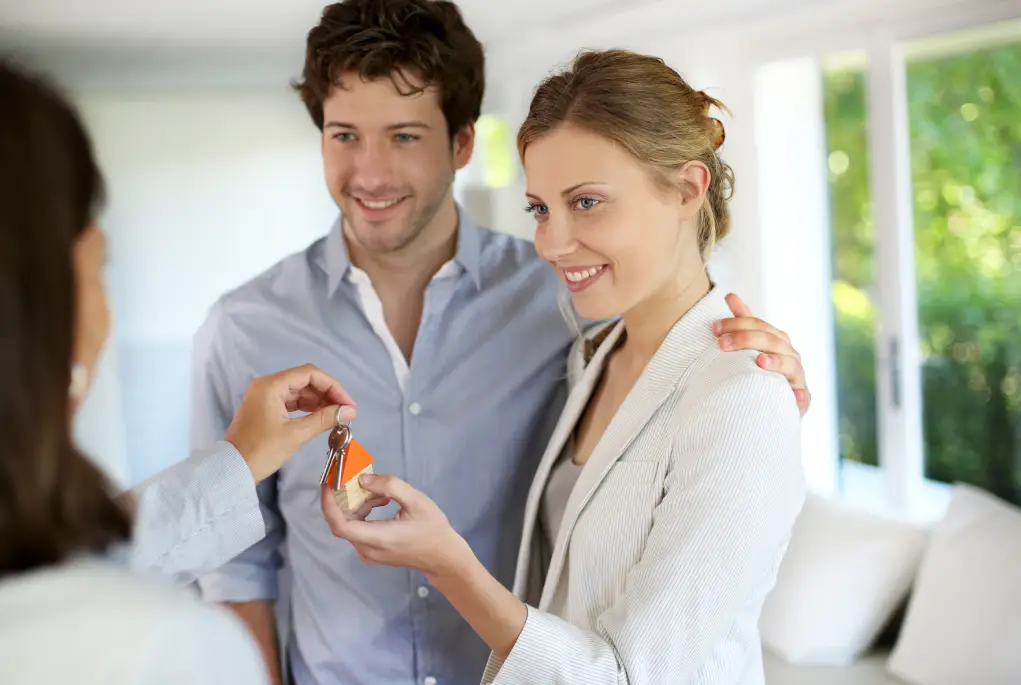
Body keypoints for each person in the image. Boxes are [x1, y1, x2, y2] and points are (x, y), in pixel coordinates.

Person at [192, 2, 811, 684]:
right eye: (343, 135)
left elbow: (704, 398)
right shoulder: (242, 326)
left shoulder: (560, 305)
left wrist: (766, 392)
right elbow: (231, 561)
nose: (369, 172)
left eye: (402, 136)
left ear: (461, 143)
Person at [0, 61, 356, 683]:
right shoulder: (166, 652)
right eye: (99, 267)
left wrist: (238, 462)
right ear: (54, 300)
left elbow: (99, 562)